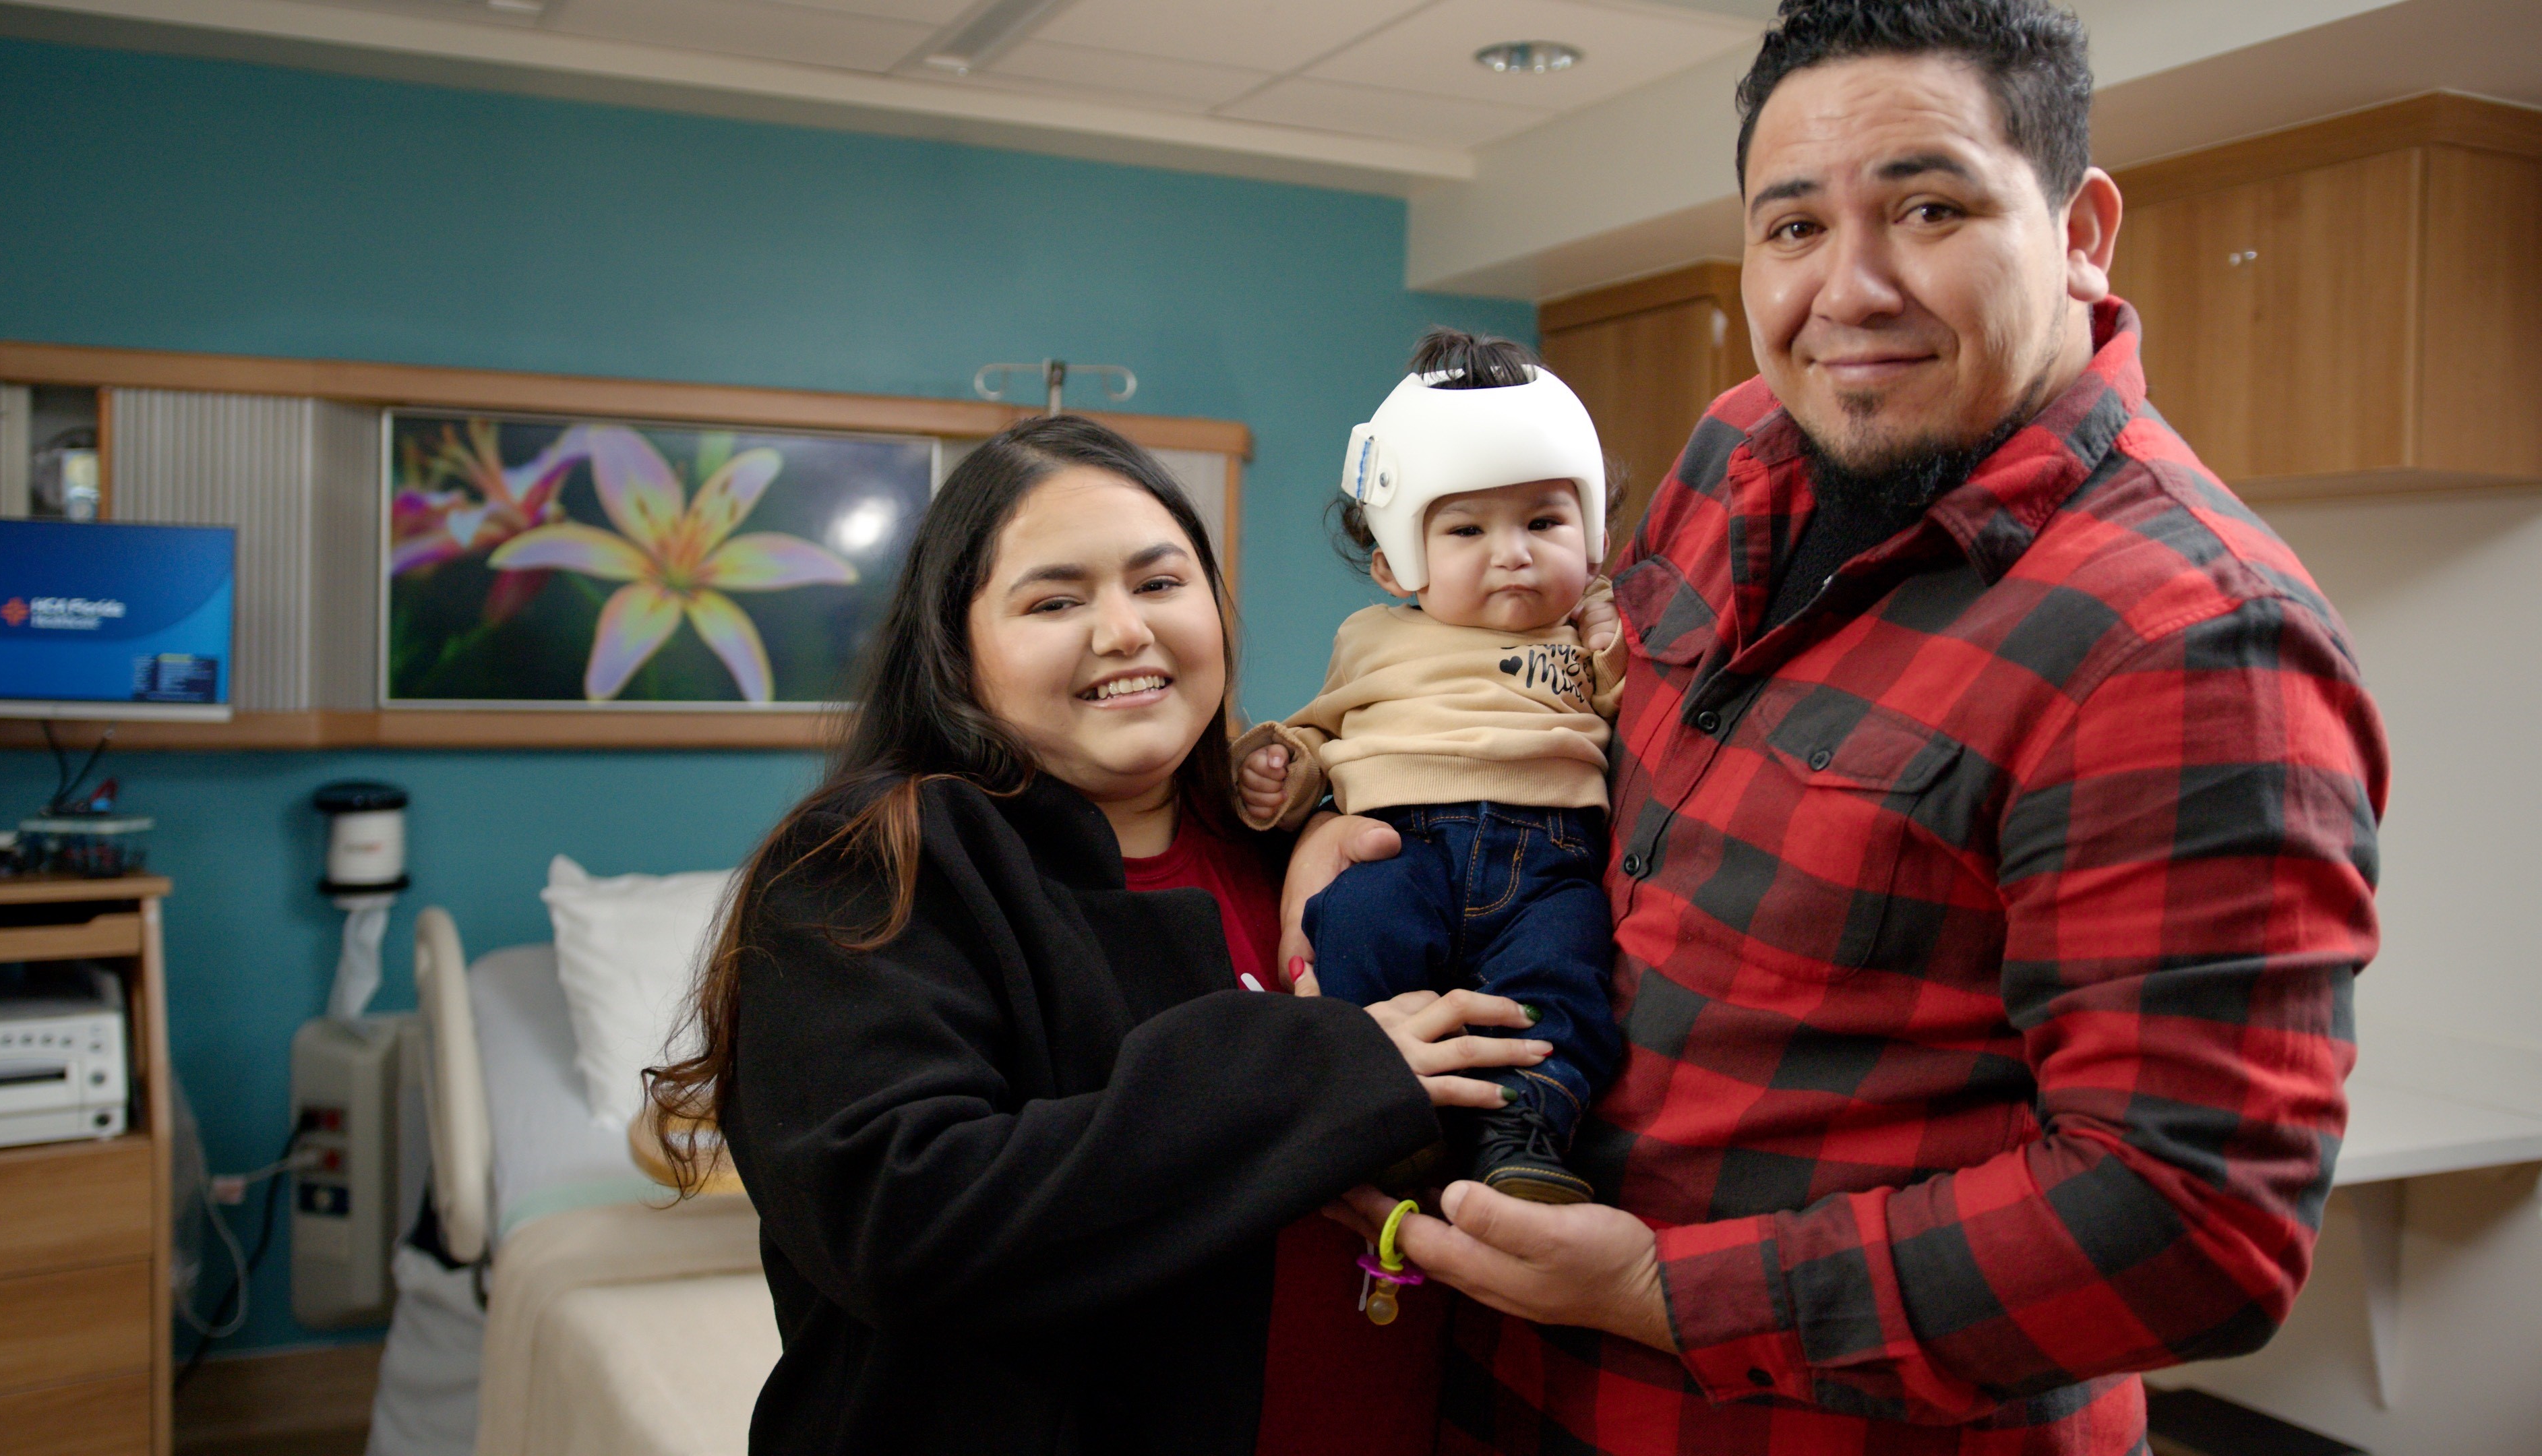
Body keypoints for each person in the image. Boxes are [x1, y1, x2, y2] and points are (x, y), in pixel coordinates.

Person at [1293, 2, 2392, 1451]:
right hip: (1510, 1383)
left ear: (2082, 230)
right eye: (1792, 228)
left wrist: (1658, 1292)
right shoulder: (1733, 450)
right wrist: (1346, 839)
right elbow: (1564, 768)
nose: (1848, 289)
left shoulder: (2186, 638)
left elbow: (2188, 1225)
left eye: (1928, 207)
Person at [646, 415, 1553, 1456]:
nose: (1124, 631)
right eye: (1056, 600)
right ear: (955, 644)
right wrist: (1326, 1068)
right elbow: (901, 1220)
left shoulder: (1311, 846)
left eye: (1161, 584)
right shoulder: (876, 866)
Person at [1232, 328, 1627, 1206]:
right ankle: (1386, 1125)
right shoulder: (1371, 637)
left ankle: (1524, 1139)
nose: (1512, 551)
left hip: (1549, 867)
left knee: (1564, 981)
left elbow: (1639, 706)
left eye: (1545, 520)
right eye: (1465, 529)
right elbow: (1317, 735)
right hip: (1399, 851)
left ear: (1594, 530)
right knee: (1353, 933)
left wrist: (1608, 627)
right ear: (1393, 561)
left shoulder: (1589, 633)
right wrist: (1279, 770)